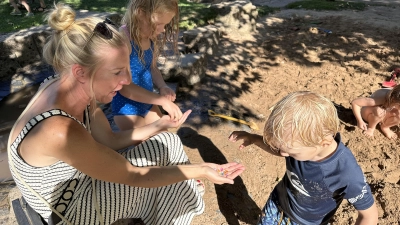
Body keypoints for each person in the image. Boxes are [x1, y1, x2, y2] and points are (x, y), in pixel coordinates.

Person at [7, 3, 245, 225]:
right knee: (174, 182)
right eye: (118, 72)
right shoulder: (59, 130)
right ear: (81, 72)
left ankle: (174, 199)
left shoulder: (67, 86)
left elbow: (109, 141)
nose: (127, 81)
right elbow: (133, 176)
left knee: (169, 141)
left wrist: (159, 124)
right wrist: (201, 169)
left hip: (77, 182)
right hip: (70, 209)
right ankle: (174, 206)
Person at [229, 91, 378, 225]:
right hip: (277, 202)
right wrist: (254, 138)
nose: (282, 154)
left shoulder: (346, 173)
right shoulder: (300, 146)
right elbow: (282, 149)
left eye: (290, 152)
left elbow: (369, 216)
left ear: (322, 143)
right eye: (281, 149)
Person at [111, 0, 181, 131]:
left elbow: (152, 67)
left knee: (165, 140)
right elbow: (124, 87)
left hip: (148, 103)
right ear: (140, 13)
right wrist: (163, 101)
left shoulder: (149, 38)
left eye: (165, 24)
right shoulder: (124, 39)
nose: (163, 29)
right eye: (159, 24)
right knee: (149, 148)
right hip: (127, 108)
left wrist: (162, 86)